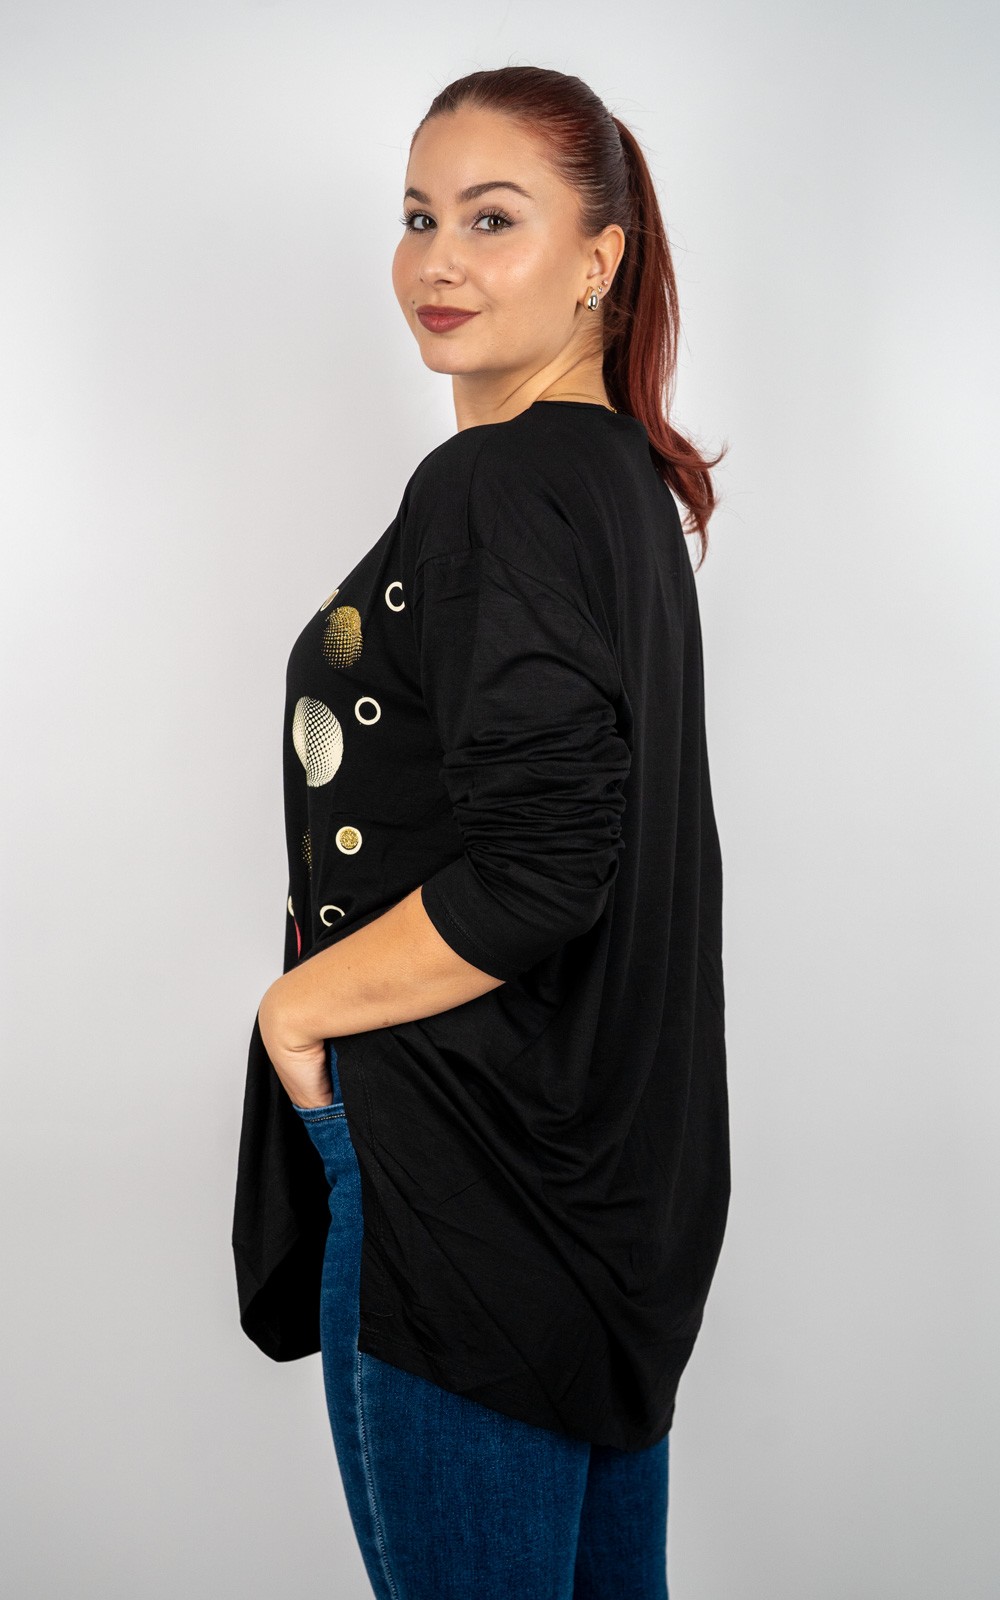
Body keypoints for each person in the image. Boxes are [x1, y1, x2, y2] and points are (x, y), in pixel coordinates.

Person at [232, 63, 730, 1600]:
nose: (437, 260)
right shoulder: (619, 482)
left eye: (492, 219)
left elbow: (543, 868)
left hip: (467, 1191)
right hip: (601, 1206)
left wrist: (296, 1012)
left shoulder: (497, 486)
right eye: (418, 216)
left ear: (600, 259)